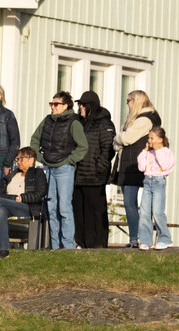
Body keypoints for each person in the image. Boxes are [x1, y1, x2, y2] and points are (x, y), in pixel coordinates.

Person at [31, 91, 86, 250]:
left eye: (56, 104)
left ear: (65, 106)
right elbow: (34, 140)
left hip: (64, 170)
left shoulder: (74, 123)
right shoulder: (47, 120)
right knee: (51, 207)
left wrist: (69, 161)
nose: (52, 107)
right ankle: (55, 246)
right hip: (48, 168)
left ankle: (68, 246)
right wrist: (41, 158)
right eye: (51, 104)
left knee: (64, 208)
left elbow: (83, 147)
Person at [112, 91, 161, 248]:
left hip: (135, 165)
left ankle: (138, 237)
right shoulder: (134, 119)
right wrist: (120, 139)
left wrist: (119, 137)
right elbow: (117, 143)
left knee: (131, 202)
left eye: (129, 100)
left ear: (136, 101)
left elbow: (126, 138)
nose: (127, 103)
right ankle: (136, 238)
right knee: (130, 203)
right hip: (128, 164)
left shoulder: (145, 119)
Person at [73, 91, 116, 249]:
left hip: (95, 176)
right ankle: (83, 242)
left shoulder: (104, 123)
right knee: (79, 211)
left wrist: (100, 168)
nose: (80, 107)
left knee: (96, 211)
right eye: (79, 104)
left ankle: (98, 244)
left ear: (91, 105)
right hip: (78, 175)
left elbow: (108, 149)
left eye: (83, 104)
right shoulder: (79, 122)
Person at [137, 126, 175, 249]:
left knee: (158, 212)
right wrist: (144, 151)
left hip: (158, 182)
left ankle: (165, 239)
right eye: (149, 138)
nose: (149, 140)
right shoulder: (149, 153)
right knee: (144, 212)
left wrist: (158, 150)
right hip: (147, 182)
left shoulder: (166, 152)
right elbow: (141, 167)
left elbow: (165, 166)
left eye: (152, 138)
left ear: (160, 139)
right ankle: (145, 240)